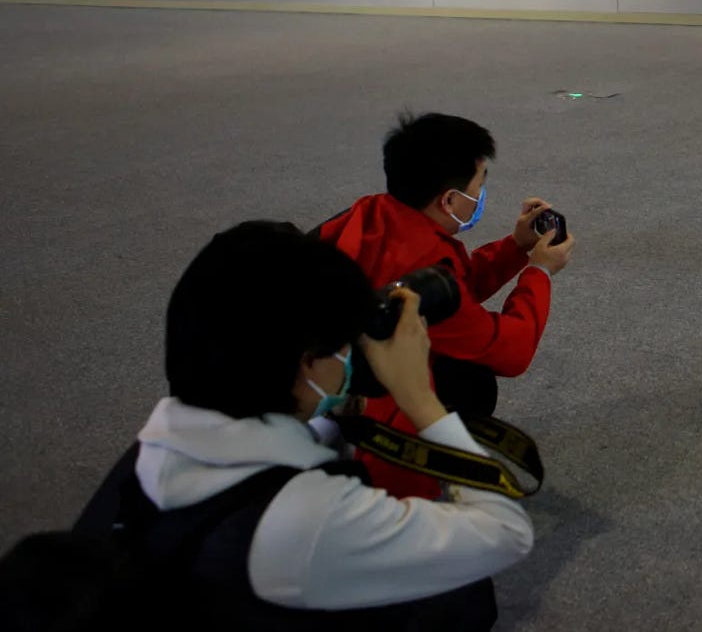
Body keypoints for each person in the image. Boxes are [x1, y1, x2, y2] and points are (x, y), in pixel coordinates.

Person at [0, 221, 533, 629]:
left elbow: (282, 435)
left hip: (199, 589)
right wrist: (420, 398)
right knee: (460, 600)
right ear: (307, 361)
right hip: (274, 568)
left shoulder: (158, 444)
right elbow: (504, 533)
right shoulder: (306, 517)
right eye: (344, 342)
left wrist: (343, 398)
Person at [317, 112, 574, 500]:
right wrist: (539, 272)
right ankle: (362, 437)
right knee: (473, 385)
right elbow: (513, 351)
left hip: (328, 365)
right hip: (381, 408)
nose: (480, 197)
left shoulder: (373, 213)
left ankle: (331, 419)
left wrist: (515, 247)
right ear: (450, 199)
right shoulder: (421, 270)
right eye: (478, 186)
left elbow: (456, 288)